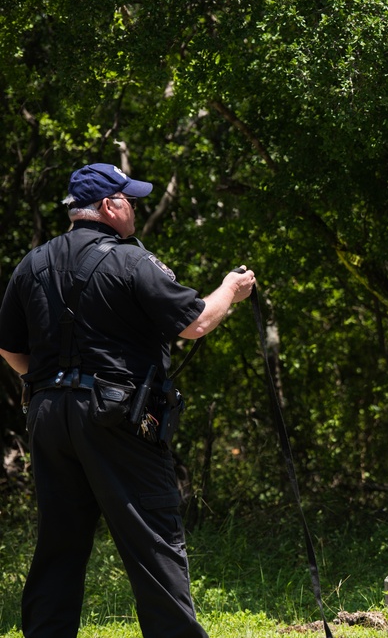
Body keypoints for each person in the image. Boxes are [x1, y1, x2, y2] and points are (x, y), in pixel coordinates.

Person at [0, 163, 256, 638]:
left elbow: (10, 349)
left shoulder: (31, 264)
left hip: (47, 417)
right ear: (109, 205)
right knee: (152, 539)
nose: (135, 208)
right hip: (115, 416)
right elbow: (195, 322)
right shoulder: (132, 261)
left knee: (59, 543)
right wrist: (231, 290)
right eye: (130, 200)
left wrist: (54, 386)